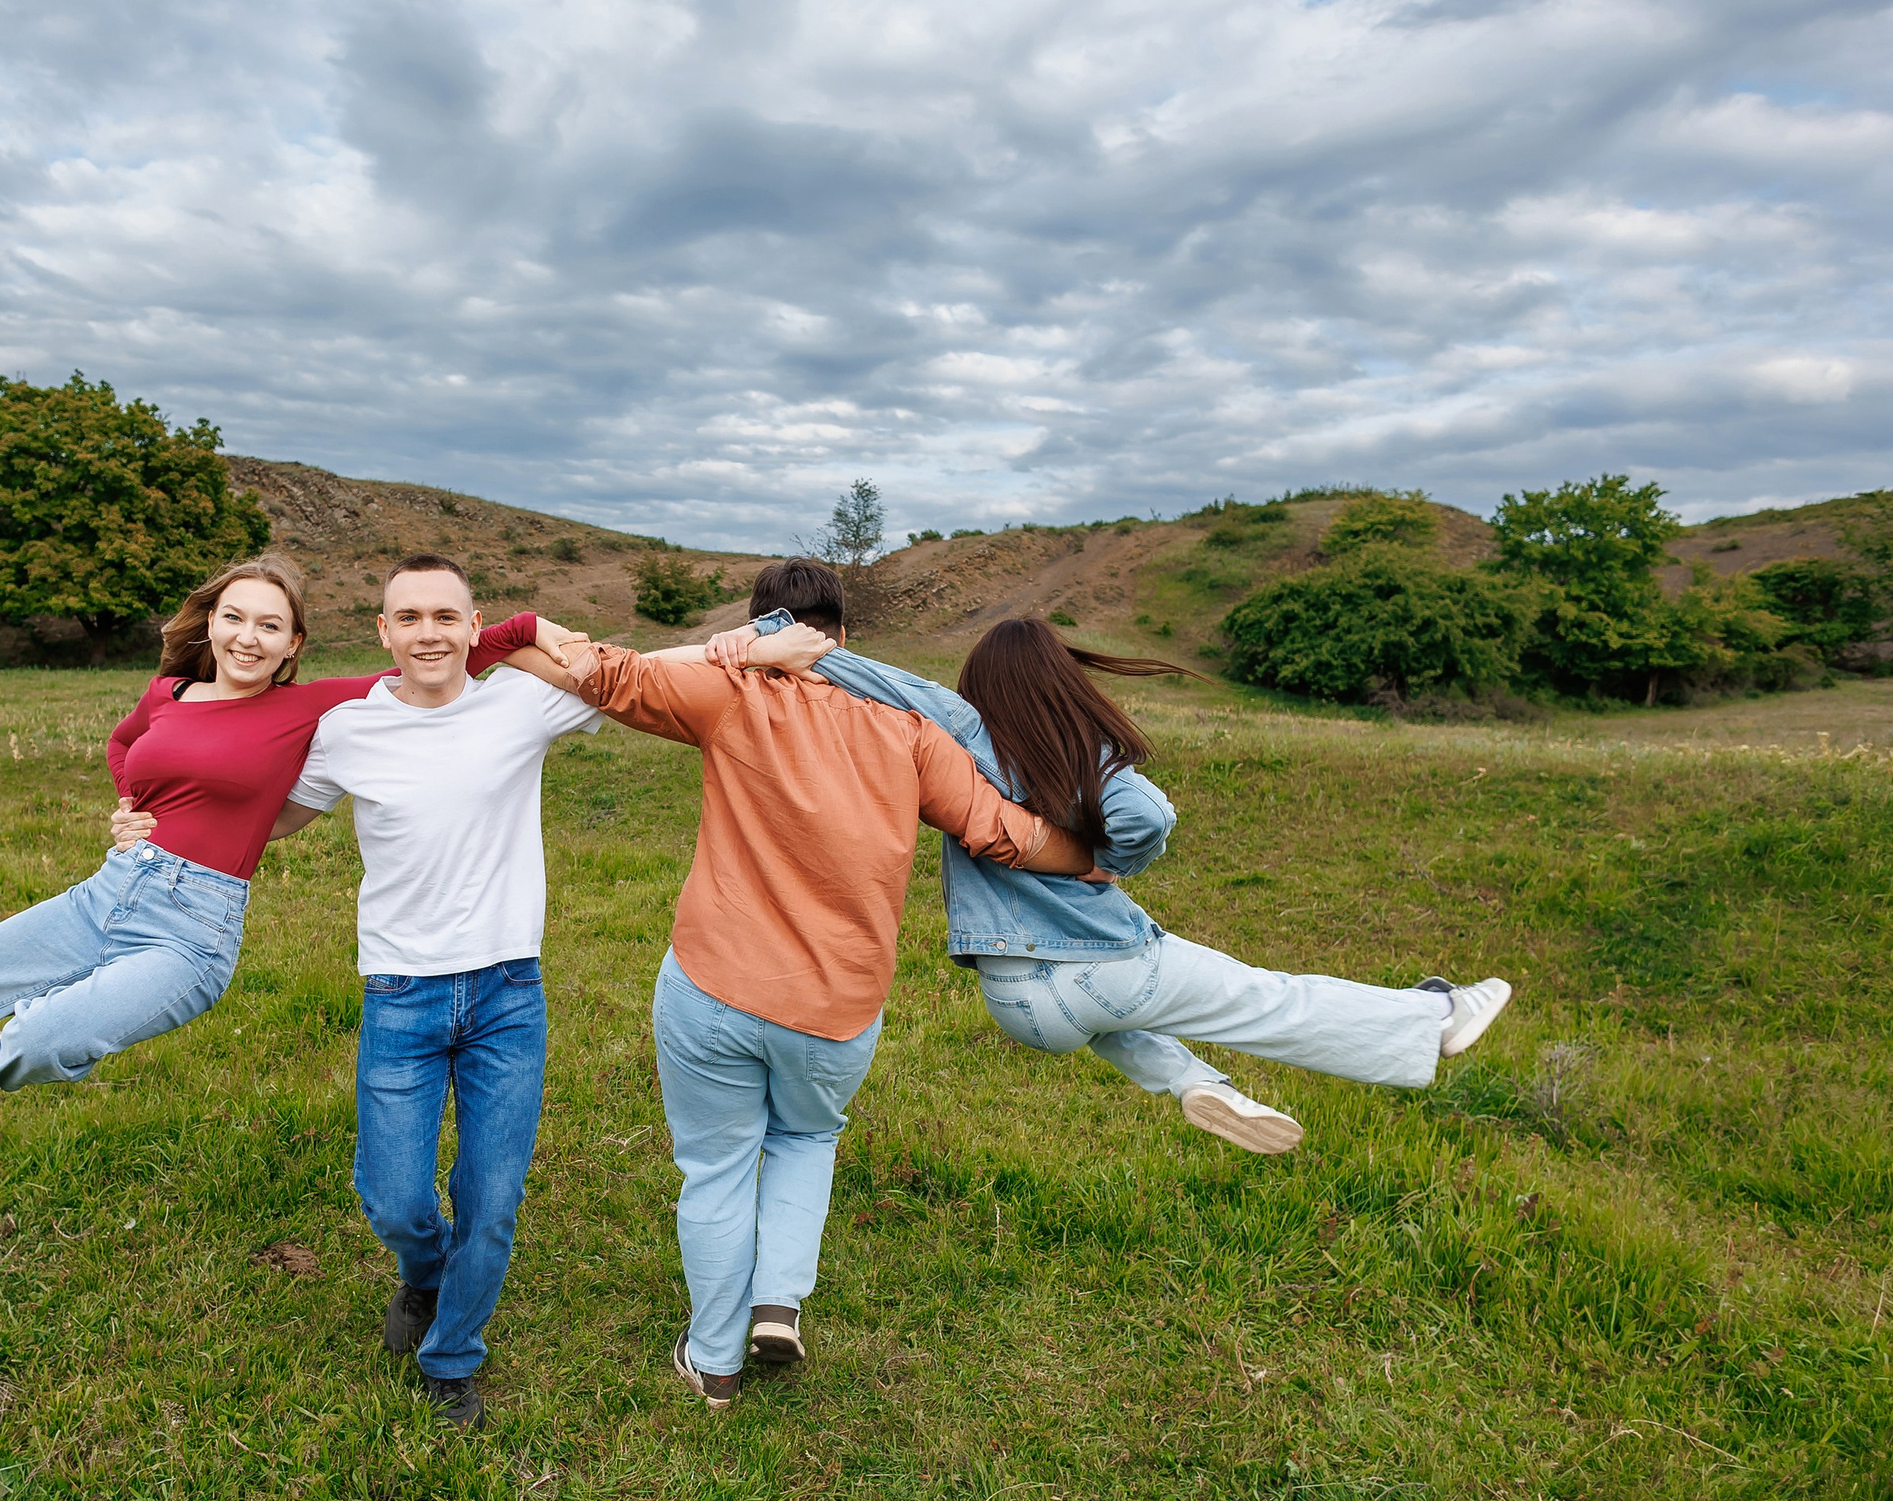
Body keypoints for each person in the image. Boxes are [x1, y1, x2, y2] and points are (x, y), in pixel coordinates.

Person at [0, 556, 549, 1127]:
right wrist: (131, 807)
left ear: (292, 645)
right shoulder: (169, 695)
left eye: (269, 624)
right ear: (211, 624)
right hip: (111, 889)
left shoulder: (306, 704)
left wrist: (530, 631)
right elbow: (124, 747)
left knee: (54, 1033)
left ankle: (5, 1045)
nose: (247, 634)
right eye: (234, 617)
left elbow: (445, 650)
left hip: (193, 926)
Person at [514, 562, 1098, 1409]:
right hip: (836, 1007)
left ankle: (714, 1364)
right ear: (844, 637)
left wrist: (491, 640)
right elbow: (1001, 833)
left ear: (764, 629)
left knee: (716, 1167)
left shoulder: (730, 690)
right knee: (805, 1141)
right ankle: (778, 1303)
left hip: (714, 982)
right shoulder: (908, 729)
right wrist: (1096, 859)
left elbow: (595, 671)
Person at [714, 594, 1513, 1152]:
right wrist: (1102, 861)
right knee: (1268, 997)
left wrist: (772, 636)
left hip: (1016, 1002)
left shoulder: (961, 725)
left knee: (1116, 1017)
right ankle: (1431, 1021)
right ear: (1060, 679)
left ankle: (1196, 1085)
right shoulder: (1083, 758)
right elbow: (1149, 820)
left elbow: (881, 677)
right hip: (1099, 969)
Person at [113, 554, 600, 1430]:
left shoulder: (523, 705)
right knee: (395, 1197)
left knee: (492, 1203)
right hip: (402, 991)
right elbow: (263, 810)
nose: (427, 633)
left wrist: (751, 644)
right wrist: (151, 818)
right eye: (407, 617)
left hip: (506, 992)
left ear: (470, 624)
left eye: (445, 617)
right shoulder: (348, 727)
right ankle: (423, 1273)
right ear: (383, 632)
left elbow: (636, 676)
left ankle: (452, 1356)